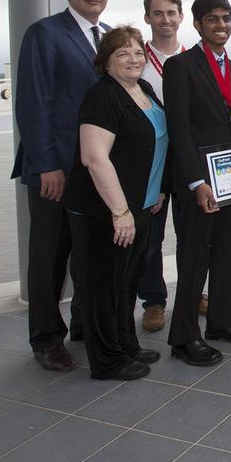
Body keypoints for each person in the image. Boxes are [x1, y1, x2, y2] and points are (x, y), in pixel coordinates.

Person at [12, 0, 112, 372]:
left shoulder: (107, 38)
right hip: (58, 170)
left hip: (97, 169)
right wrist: (46, 164)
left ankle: (84, 326)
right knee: (50, 256)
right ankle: (45, 338)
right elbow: (33, 104)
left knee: (90, 253)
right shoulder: (45, 33)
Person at [63, 26, 167, 380]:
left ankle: (126, 344)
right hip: (104, 211)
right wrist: (120, 212)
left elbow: (152, 144)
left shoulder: (144, 89)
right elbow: (95, 158)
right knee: (103, 287)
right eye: (122, 54)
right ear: (105, 63)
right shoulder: (102, 97)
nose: (133, 59)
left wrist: (158, 190)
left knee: (127, 280)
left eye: (137, 52)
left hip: (142, 204)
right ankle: (107, 360)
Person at [162, 0, 231, 366]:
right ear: (198, 23)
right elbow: (180, 130)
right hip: (200, 184)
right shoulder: (179, 66)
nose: (221, 25)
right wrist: (195, 182)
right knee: (194, 259)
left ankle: (222, 322)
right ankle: (184, 337)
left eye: (226, 18)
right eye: (213, 19)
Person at [136, 0, 187, 334]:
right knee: (150, 237)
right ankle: (153, 301)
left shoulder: (194, 56)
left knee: (193, 233)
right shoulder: (135, 58)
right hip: (151, 158)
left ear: (181, 17)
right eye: (158, 13)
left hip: (186, 157)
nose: (165, 19)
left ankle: (192, 292)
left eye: (171, 13)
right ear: (147, 18)